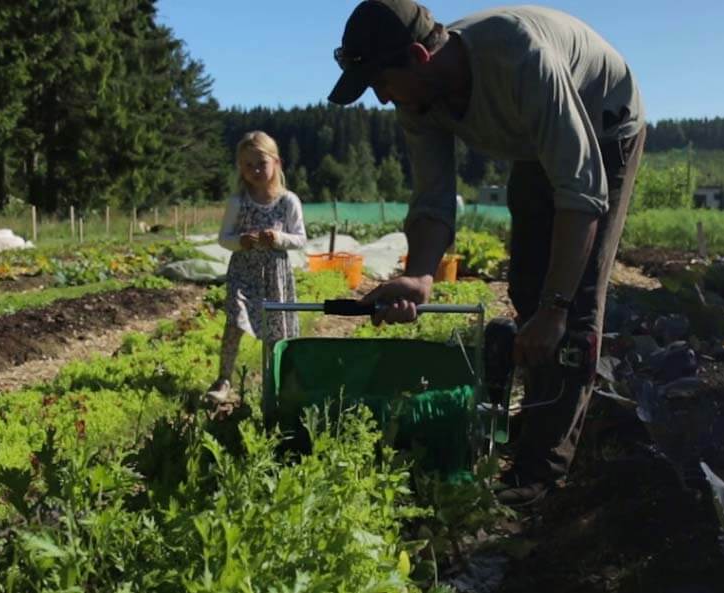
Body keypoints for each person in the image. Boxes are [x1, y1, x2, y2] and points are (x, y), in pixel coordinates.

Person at [328, 1, 646, 506]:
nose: (383, 98)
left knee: (572, 303)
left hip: (603, 120)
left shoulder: (522, 60)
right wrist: (420, 277)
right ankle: (539, 410)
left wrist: (556, 307)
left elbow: (581, 193)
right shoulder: (419, 101)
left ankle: (541, 473)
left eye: (382, 82)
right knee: (525, 286)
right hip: (534, 140)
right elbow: (433, 200)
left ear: (418, 56)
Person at [205, 131, 308, 405]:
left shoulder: (288, 201)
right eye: (248, 165)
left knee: (276, 329)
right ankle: (224, 379)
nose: (255, 170)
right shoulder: (238, 202)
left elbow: (300, 238)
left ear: (277, 163)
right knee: (234, 323)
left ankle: (276, 380)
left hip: (276, 274)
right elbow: (223, 238)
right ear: (241, 167)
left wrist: (278, 238)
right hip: (244, 272)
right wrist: (240, 241)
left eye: (261, 163)